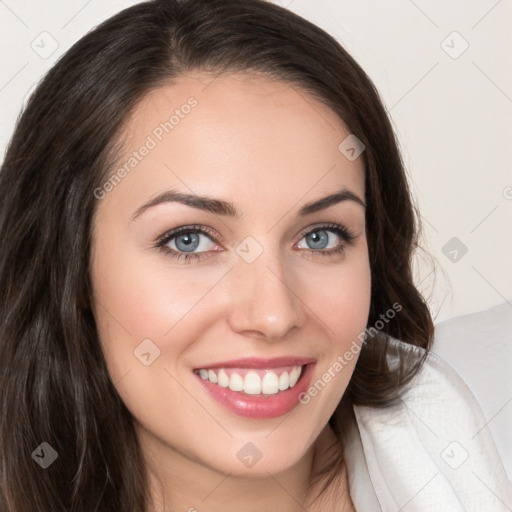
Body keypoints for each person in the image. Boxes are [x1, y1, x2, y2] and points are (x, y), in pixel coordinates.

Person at [0, 0, 509, 510]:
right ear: (72, 269)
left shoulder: (489, 420)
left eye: (320, 237)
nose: (273, 314)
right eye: (189, 240)